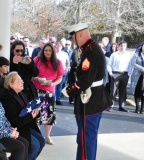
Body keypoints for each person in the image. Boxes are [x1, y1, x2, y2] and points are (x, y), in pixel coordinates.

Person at [64, 23, 112, 160]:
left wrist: (68, 91)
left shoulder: (90, 51)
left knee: (86, 140)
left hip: (90, 101)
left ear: (79, 34)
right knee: (86, 139)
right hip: (92, 99)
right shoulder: (89, 49)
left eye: (72, 37)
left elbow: (85, 81)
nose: (71, 40)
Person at [0, 72, 45, 160]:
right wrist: (31, 116)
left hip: (25, 125)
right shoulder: (7, 98)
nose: (22, 82)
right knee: (35, 146)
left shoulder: (21, 94)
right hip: (16, 128)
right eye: (19, 80)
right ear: (10, 84)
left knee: (42, 141)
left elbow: (27, 110)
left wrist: (36, 112)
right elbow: (13, 120)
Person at [32, 43, 64, 145]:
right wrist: (37, 78)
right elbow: (30, 74)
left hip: (50, 91)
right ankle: (37, 136)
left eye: (50, 50)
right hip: (36, 90)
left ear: (53, 51)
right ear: (43, 51)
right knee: (36, 115)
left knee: (48, 115)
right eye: (46, 50)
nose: (48, 52)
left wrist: (53, 83)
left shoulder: (58, 62)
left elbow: (60, 77)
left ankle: (47, 136)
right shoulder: (37, 60)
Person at [107, 41, 132, 112]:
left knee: (123, 91)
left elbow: (130, 66)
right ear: (119, 46)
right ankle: (111, 105)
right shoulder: (114, 55)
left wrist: (129, 74)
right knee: (113, 91)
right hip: (115, 74)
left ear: (126, 47)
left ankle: (121, 106)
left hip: (125, 74)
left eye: (124, 46)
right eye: (121, 46)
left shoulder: (128, 55)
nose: (122, 47)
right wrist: (110, 73)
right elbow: (109, 64)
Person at [128, 43, 144, 114]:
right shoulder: (136, 54)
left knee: (143, 92)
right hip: (137, 75)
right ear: (142, 47)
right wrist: (141, 68)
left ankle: (142, 109)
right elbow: (133, 63)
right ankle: (137, 108)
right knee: (137, 90)